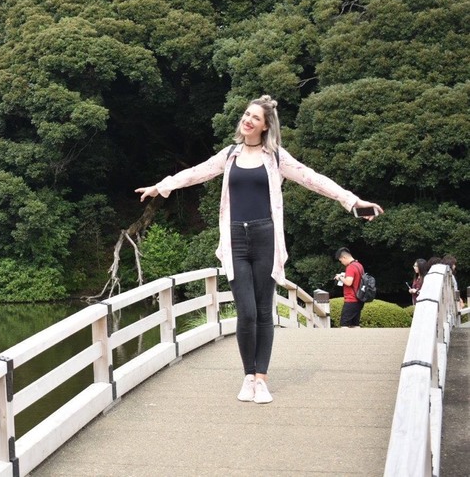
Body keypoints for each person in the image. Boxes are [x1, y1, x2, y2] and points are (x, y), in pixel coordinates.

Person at [135, 95, 383, 405]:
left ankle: (262, 379)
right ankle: (248, 375)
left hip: (266, 237)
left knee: (264, 311)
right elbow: (197, 172)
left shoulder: (276, 158)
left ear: (265, 126)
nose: (248, 120)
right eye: (246, 115)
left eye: (255, 117)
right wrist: (162, 186)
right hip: (235, 239)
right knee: (247, 312)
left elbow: (313, 179)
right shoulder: (229, 155)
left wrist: (352, 201)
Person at [334, 247, 365, 327]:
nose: (341, 263)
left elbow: (348, 282)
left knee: (344, 325)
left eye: (341, 260)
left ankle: (346, 339)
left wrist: (339, 277)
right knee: (355, 325)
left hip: (351, 300)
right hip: (359, 299)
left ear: (344, 257)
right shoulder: (359, 265)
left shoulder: (350, 267)